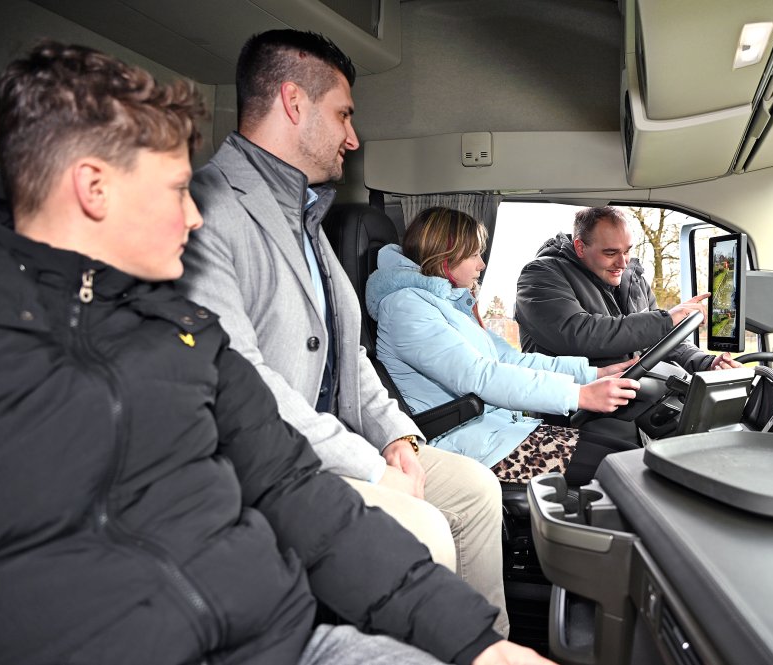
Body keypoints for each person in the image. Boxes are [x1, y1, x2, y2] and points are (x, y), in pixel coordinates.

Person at [0, 41, 550, 665]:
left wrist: (480, 647)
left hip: (283, 635)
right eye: (176, 190)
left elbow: (293, 484)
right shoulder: (12, 354)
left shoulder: (185, 329)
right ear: (94, 189)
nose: (196, 215)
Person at [177, 29, 508, 634]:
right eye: (344, 115)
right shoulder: (207, 208)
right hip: (267, 466)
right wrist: (373, 467)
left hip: (342, 448)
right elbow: (241, 382)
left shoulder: (308, 218)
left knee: (476, 490)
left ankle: (489, 647)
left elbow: (348, 354)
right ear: (293, 104)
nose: (353, 138)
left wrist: (396, 440)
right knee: (422, 528)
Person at [365, 207, 641, 485]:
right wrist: (579, 396)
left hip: (499, 433)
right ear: (445, 255)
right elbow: (479, 376)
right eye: (474, 254)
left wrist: (594, 374)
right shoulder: (406, 307)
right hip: (469, 446)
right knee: (628, 471)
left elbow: (512, 360)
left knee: (627, 458)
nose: (481, 265)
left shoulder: (447, 305)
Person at [515, 206, 742, 372]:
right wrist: (665, 319)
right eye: (611, 253)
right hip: (576, 410)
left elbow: (662, 340)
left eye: (627, 251)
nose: (622, 263)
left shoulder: (632, 277)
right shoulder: (540, 276)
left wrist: (705, 363)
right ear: (580, 247)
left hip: (631, 398)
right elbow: (579, 333)